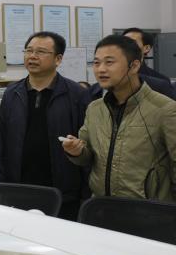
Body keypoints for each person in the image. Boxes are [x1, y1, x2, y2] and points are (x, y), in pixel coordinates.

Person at [63, 35, 176, 201]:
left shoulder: (165, 109)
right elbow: (87, 156)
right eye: (96, 63)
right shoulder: (95, 108)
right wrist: (76, 151)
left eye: (109, 62)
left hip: (147, 209)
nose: (101, 69)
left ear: (134, 66)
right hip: (101, 205)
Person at [0, 32, 91, 220]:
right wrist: (1, 187)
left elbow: (87, 147)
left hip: (63, 192)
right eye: (29, 51)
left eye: (40, 52)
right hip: (19, 189)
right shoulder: (12, 93)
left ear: (58, 59)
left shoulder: (77, 94)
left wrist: (85, 195)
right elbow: (1, 146)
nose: (32, 56)